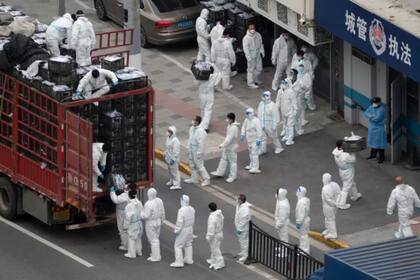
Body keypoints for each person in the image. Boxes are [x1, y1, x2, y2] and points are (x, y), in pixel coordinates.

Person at [333, 140, 362, 210]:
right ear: (341, 146)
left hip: (342, 170)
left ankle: (355, 195)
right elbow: (353, 160)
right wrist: (353, 151)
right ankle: (341, 204)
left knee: (351, 183)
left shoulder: (335, 151)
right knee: (346, 188)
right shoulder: (345, 155)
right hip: (348, 171)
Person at [211, 113, 240, 183]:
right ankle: (219, 172)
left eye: (228, 119)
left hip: (231, 147)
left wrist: (222, 145)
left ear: (232, 119)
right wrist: (224, 145)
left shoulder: (234, 128)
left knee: (233, 162)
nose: (227, 120)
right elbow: (227, 137)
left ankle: (233, 176)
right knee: (223, 159)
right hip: (227, 146)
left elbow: (229, 138)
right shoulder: (230, 125)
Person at [184, 116, 211, 186]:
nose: (192, 121)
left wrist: (199, 153)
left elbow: (201, 143)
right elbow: (190, 139)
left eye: (194, 120)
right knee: (193, 164)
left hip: (197, 149)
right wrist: (189, 148)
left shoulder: (201, 131)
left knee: (199, 165)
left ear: (197, 122)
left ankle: (207, 179)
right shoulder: (191, 128)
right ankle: (194, 179)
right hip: (192, 148)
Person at [170, 195, 196, 268]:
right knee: (188, 244)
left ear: (182, 201)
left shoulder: (181, 210)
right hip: (190, 228)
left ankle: (179, 262)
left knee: (178, 245)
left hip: (183, 229)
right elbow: (193, 219)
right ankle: (189, 259)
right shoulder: (192, 208)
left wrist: (177, 230)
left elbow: (180, 222)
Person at [141, 188, 165, 262]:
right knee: (156, 237)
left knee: (153, 239)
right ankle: (154, 254)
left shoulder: (148, 204)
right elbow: (163, 211)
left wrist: (141, 213)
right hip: (158, 221)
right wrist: (162, 220)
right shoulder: (159, 200)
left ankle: (156, 256)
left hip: (151, 222)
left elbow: (146, 216)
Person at [364, 97, 387, 164]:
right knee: (373, 142)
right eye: (374, 102)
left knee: (380, 144)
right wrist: (372, 116)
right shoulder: (371, 107)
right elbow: (366, 113)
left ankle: (382, 158)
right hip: (372, 128)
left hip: (379, 128)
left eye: (376, 102)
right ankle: (373, 155)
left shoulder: (382, 109)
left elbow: (377, 119)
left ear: (379, 102)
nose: (375, 104)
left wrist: (370, 117)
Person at [110, 174, 130, 250]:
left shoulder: (124, 196)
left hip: (122, 212)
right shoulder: (129, 193)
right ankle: (127, 243)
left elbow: (115, 200)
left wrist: (112, 192)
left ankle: (125, 245)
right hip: (125, 211)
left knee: (122, 228)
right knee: (126, 228)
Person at [240, 108, 263, 174]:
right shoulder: (246, 120)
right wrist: (242, 134)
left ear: (252, 113)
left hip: (255, 140)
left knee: (254, 153)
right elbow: (243, 127)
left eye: (248, 113)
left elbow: (259, 131)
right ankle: (252, 164)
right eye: (246, 113)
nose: (247, 115)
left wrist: (259, 139)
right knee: (250, 153)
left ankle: (255, 168)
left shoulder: (256, 121)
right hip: (249, 140)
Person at [277, 75, 298, 146]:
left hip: (290, 112)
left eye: (284, 83)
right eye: (282, 83)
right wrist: (276, 108)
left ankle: (290, 139)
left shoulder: (291, 92)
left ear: (287, 84)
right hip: (283, 111)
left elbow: (294, 102)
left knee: (290, 125)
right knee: (285, 124)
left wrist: (295, 110)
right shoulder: (280, 91)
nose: (282, 85)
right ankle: (286, 136)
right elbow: (278, 101)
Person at [123, 188, 143, 259]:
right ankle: (139, 251)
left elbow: (128, 217)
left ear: (129, 196)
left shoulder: (129, 206)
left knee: (131, 238)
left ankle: (132, 254)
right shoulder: (139, 203)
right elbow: (142, 212)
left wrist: (125, 226)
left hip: (132, 224)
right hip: (139, 223)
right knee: (138, 238)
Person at [242, 24, 264, 89]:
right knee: (250, 70)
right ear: (248, 29)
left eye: (253, 28)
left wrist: (262, 51)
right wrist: (248, 57)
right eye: (251, 29)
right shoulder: (246, 38)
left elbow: (261, 43)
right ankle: (250, 83)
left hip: (257, 54)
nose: (252, 30)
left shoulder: (258, 35)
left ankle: (255, 79)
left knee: (259, 68)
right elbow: (245, 49)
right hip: (251, 55)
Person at [294, 63, 312, 134]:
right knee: (300, 109)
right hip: (298, 94)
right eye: (300, 68)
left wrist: (306, 95)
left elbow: (308, 86)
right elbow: (297, 83)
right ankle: (301, 120)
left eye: (302, 68)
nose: (301, 69)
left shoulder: (307, 76)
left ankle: (302, 120)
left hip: (303, 93)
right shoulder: (299, 75)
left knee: (302, 108)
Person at [321, 173, 341, 239]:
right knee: (328, 218)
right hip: (335, 205)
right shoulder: (335, 184)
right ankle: (328, 230)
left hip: (328, 206)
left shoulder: (325, 189)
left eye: (323, 178)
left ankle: (333, 233)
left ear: (325, 179)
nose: (322, 180)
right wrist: (337, 203)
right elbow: (339, 193)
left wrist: (333, 204)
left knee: (330, 219)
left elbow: (327, 200)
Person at [206, 202, 225, 270]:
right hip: (219, 233)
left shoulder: (212, 217)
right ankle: (213, 260)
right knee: (215, 248)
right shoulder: (220, 214)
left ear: (210, 209)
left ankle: (220, 263)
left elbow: (211, 228)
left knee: (215, 249)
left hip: (214, 235)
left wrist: (209, 237)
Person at [235, 194, 251, 263]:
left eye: (238, 199)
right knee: (242, 241)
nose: (236, 200)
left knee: (244, 241)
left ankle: (245, 255)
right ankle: (243, 251)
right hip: (239, 227)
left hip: (243, 228)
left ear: (241, 201)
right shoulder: (240, 205)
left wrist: (239, 229)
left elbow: (243, 220)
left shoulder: (244, 209)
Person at [165, 126, 181, 190]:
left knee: (175, 172)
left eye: (169, 131)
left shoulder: (175, 141)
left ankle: (177, 184)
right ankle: (172, 181)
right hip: (168, 157)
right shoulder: (168, 138)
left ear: (173, 133)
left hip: (173, 159)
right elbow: (167, 147)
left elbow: (176, 152)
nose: (168, 132)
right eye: (168, 130)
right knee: (170, 170)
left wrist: (173, 159)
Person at [295, 186, 310, 254]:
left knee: (303, 236)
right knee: (304, 235)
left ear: (300, 193)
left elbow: (301, 214)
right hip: (305, 220)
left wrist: (298, 223)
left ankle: (304, 251)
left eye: (298, 191)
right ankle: (303, 249)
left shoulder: (301, 202)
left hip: (303, 222)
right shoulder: (306, 200)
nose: (296, 192)